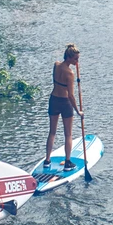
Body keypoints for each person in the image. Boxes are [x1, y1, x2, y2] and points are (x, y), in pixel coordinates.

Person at [44, 44, 84, 172]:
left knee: (52, 132)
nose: (77, 62)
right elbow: (71, 96)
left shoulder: (56, 65)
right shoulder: (70, 73)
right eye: (75, 59)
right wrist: (78, 111)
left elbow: (54, 79)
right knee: (68, 134)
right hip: (65, 102)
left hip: (53, 100)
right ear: (69, 58)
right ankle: (67, 162)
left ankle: (47, 160)